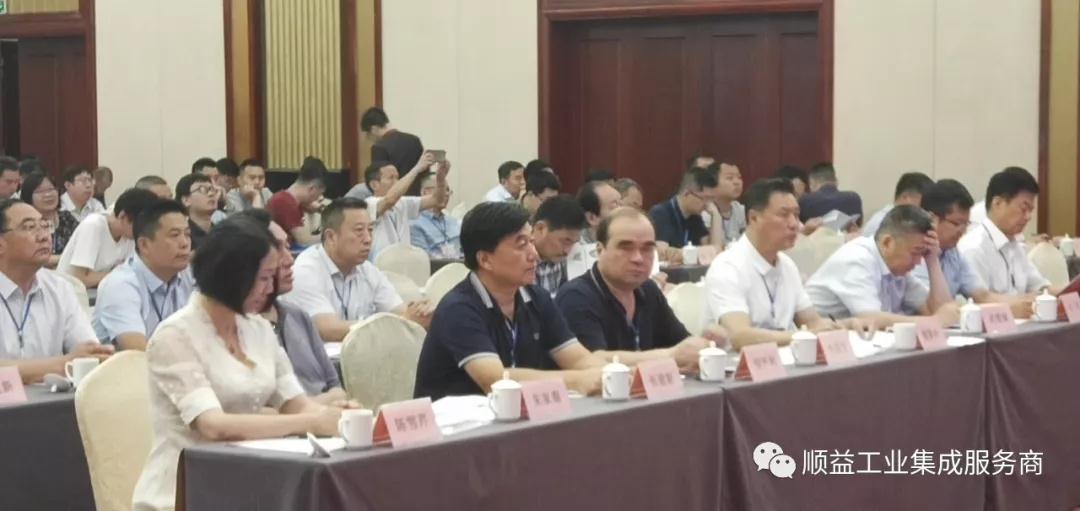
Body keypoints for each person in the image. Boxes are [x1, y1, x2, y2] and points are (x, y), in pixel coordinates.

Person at [131, 215, 353, 511]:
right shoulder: (175, 336)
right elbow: (213, 426)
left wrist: (340, 417)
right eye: (263, 278)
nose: (269, 288)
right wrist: (312, 422)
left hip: (252, 480)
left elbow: (297, 404)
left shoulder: (258, 328)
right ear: (231, 275)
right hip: (184, 491)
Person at [413, 201, 605, 400]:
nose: (534, 255)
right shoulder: (458, 309)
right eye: (521, 245)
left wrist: (609, 375)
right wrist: (578, 380)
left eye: (532, 242)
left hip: (518, 414)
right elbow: (496, 380)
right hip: (458, 417)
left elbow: (578, 359)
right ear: (485, 260)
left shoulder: (537, 297)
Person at [704, 179, 869, 349]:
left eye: (796, 215)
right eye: (784, 215)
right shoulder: (727, 267)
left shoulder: (787, 265)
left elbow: (813, 322)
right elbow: (740, 336)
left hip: (787, 359)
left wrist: (845, 324)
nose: (794, 224)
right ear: (754, 218)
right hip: (742, 363)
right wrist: (803, 336)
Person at [556, 207, 712, 370]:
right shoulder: (576, 296)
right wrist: (670, 355)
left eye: (647, 249)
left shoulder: (648, 289)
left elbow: (680, 343)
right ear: (600, 250)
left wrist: (704, 343)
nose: (638, 258)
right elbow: (590, 360)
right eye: (626, 248)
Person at [281, 198, 433, 343]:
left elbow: (400, 312)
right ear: (331, 236)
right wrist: (399, 323)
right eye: (359, 231)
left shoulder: (367, 270)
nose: (368, 239)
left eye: (370, 230)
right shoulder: (305, 271)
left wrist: (420, 313)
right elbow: (328, 330)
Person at [236, 209, 346, 404]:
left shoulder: (297, 316)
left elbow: (335, 385)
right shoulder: (236, 326)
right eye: (278, 250)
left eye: (287, 247)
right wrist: (322, 404)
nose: (289, 260)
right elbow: (268, 408)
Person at [0, 198, 112, 383]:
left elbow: (90, 354)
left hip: (53, 399)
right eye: (29, 227)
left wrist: (85, 359)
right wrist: (64, 364)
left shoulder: (60, 288)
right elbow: (74, 362)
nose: (43, 236)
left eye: (45, 226)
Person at [805, 205, 958, 328]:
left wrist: (932, 260)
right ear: (887, 243)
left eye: (922, 254)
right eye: (915, 252)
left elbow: (941, 311)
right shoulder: (857, 259)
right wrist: (933, 322)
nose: (918, 262)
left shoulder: (898, 270)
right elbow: (870, 319)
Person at [913, 179, 1029, 316]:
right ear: (932, 219)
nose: (962, 231)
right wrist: (1006, 309)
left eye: (966, 224)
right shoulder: (915, 253)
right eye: (956, 224)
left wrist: (1023, 304)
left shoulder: (953, 253)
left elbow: (982, 296)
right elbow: (936, 309)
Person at [93, 200, 195, 351]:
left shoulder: (186, 274)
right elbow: (138, 353)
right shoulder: (120, 285)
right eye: (174, 235)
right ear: (144, 245)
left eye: (187, 234)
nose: (185, 243)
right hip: (131, 365)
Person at [958, 167, 1056, 296]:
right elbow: (980, 301)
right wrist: (1021, 303)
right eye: (1023, 208)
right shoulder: (974, 249)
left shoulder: (1015, 245)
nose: (1028, 217)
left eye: (1030, 210)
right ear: (998, 203)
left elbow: (1041, 288)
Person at [349, 153, 449, 257]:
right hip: (380, 263)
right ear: (374, 185)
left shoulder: (402, 202)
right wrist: (417, 169)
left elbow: (436, 200)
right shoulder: (368, 204)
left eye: (397, 178)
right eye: (391, 178)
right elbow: (389, 200)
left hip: (404, 262)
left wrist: (441, 178)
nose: (397, 182)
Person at [58, 188, 159, 289]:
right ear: (122, 216)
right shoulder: (93, 225)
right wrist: (118, 274)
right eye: (140, 225)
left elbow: (132, 271)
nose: (143, 231)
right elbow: (79, 278)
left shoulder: (130, 236)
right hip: (69, 291)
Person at [648, 167, 724, 255]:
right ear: (687, 193)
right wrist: (696, 253)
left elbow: (715, 252)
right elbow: (661, 252)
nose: (708, 204)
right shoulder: (660, 213)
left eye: (711, 199)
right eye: (705, 198)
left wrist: (716, 215)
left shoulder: (695, 217)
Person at [360, 106, 426, 196]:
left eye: (368, 134)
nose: (368, 138)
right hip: (416, 195)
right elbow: (423, 170)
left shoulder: (379, 147)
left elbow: (379, 180)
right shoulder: (414, 140)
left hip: (394, 197)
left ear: (374, 129)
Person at [19, 172, 79, 269]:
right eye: (40, 191)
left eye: (51, 189)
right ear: (28, 196)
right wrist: (66, 258)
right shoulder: (26, 223)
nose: (48, 195)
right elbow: (33, 258)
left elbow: (83, 246)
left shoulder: (67, 217)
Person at [532, 195, 587, 297]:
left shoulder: (576, 253)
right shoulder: (516, 262)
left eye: (574, 243)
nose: (567, 251)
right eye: (566, 241)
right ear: (540, 228)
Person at [266, 156, 327, 248]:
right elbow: (305, 241)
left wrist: (319, 208)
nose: (319, 198)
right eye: (319, 194)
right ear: (312, 189)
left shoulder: (289, 199)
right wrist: (332, 235)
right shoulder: (285, 203)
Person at [566, 180, 620, 280]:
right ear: (592, 218)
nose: (623, 210)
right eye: (614, 206)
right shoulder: (570, 250)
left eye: (621, 203)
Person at [862, 172, 934, 238]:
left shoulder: (904, 221)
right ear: (906, 198)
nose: (924, 211)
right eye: (922, 204)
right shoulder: (881, 223)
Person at [410, 173, 462, 259]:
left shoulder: (453, 222)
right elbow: (423, 259)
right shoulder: (414, 224)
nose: (447, 194)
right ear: (425, 192)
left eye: (448, 190)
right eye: (442, 189)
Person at [797, 162, 863, 228]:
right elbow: (858, 226)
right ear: (836, 181)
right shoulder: (853, 198)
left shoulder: (805, 201)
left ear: (812, 183)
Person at [175, 173, 220, 251]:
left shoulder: (222, 232)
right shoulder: (183, 237)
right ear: (186, 200)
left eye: (211, 189)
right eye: (202, 189)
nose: (211, 194)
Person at [709, 162, 746, 247]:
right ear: (712, 184)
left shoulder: (740, 210)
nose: (737, 182)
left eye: (739, 177)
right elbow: (713, 249)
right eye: (730, 178)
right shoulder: (705, 213)